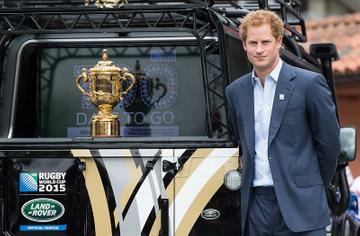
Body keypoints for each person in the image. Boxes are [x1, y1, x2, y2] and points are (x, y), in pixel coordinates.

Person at [225, 10, 340, 236]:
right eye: (253, 42)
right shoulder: (235, 92)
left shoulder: (309, 84)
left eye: (266, 42)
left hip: (302, 206)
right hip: (256, 206)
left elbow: (329, 145)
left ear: (278, 41)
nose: (259, 49)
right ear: (244, 46)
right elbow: (239, 142)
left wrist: (311, 186)